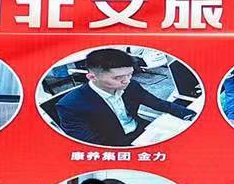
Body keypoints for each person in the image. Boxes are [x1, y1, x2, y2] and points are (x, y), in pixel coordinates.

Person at [45, 46, 196, 147]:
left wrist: (189, 115)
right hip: (113, 144)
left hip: (141, 130)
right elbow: (90, 144)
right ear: (92, 77)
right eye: (118, 78)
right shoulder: (70, 105)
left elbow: (158, 103)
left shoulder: (131, 85)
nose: (126, 81)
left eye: (130, 74)